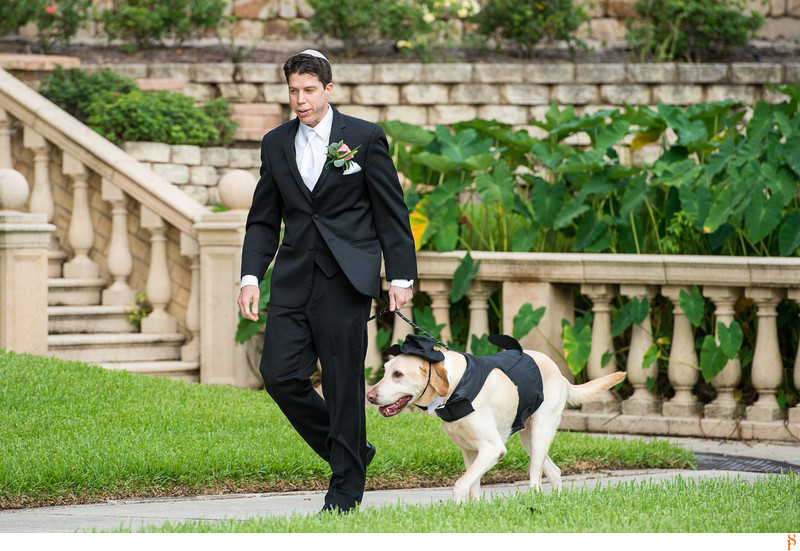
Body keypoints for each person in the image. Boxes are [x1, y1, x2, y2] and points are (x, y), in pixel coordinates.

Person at [237, 50, 418, 514]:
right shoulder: (275, 144)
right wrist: (251, 276)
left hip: (345, 279)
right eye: (293, 91)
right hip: (294, 278)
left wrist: (400, 275)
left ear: (328, 90)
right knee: (278, 375)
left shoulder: (363, 137)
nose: (300, 100)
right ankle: (353, 452)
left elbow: (390, 212)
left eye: (309, 90)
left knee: (342, 385)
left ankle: (343, 494)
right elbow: (263, 220)